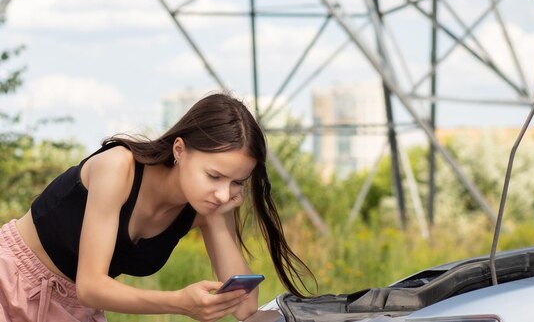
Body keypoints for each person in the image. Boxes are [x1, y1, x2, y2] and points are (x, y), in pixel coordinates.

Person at [0, 92, 312, 322]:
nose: (222, 192)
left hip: (73, 310)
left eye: (236, 182)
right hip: (10, 279)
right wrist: (179, 302)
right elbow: (91, 285)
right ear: (180, 150)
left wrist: (217, 217)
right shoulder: (117, 168)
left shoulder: (207, 206)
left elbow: (244, 309)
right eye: (214, 175)